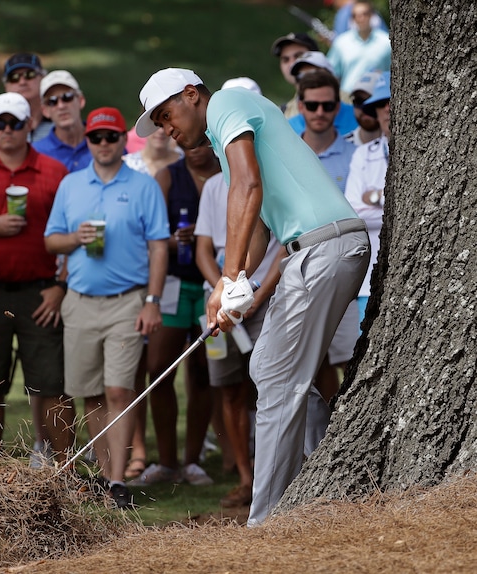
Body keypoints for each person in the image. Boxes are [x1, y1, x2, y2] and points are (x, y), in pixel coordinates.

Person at [136, 68, 370, 525]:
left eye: (167, 116)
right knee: (267, 368)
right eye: (160, 124)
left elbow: (247, 187)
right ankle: (332, 476)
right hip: (315, 250)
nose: (167, 130)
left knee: (279, 379)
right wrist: (234, 285)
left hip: (324, 247)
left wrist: (227, 278)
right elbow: (260, 226)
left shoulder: (225, 103)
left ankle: (266, 523)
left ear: (191, 95)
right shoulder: (228, 146)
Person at [45, 107, 169, 508]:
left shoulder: (143, 185)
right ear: (88, 142)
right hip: (79, 302)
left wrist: (152, 301)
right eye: (96, 138)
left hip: (127, 301)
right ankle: (105, 477)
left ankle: (118, 480)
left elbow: (158, 246)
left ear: (122, 140)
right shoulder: (70, 185)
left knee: (119, 389)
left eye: (111, 137)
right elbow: (51, 242)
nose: (103, 144)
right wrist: (73, 239)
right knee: (91, 394)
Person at [0, 92, 74, 470]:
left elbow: (72, 236)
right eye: (0, 123)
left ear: (29, 126)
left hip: (39, 290)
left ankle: (64, 471)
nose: (7, 130)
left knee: (52, 383)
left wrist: (60, 285)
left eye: (15, 123)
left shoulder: (54, 172)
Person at [129, 143, 219, 488]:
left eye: (202, 143)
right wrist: (177, 238)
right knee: (159, 369)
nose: (194, 150)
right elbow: (152, 236)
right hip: (175, 283)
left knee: (204, 372)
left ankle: (192, 461)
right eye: (188, 145)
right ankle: (166, 461)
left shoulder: (226, 174)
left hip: (213, 284)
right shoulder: (169, 176)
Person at [195, 170, 284, 507]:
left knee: (271, 386)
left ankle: (275, 475)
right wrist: (222, 290)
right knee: (229, 389)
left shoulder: (265, 178)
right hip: (224, 303)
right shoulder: (213, 186)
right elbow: (204, 248)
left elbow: (283, 245)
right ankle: (247, 479)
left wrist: (253, 298)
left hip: (266, 296)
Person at [297, 70, 361, 402]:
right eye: (312, 105)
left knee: (353, 358)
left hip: (349, 273)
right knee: (312, 365)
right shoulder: (289, 156)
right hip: (301, 273)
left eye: (327, 105)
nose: (320, 112)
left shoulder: (355, 156)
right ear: (300, 106)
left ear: (338, 107)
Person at [121, 126, 182, 480]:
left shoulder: (185, 163)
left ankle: (177, 456)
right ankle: (137, 450)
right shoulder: (128, 166)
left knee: (160, 368)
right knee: (132, 368)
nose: (160, 131)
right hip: (129, 273)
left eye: (166, 122)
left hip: (170, 276)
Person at [345, 71, 391, 327]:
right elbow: (354, 215)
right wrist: (394, 205)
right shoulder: (363, 155)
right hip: (369, 281)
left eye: (391, 100)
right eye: (380, 104)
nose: (387, 109)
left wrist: (375, 196)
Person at [326, 0, 391, 94]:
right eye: (355, 15)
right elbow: (331, 72)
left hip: (378, 99)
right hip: (348, 97)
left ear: (372, 15)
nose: (360, 18)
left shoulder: (386, 42)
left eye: (364, 14)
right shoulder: (341, 43)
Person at [288, 51, 358, 137]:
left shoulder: (358, 116)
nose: (306, 81)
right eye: (300, 76)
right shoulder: (288, 126)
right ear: (301, 106)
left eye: (314, 74)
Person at [34, 70, 91, 172]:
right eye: (52, 101)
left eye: (67, 97)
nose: (61, 106)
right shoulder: (36, 153)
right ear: (45, 111)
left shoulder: (106, 141)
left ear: (80, 101)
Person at [2, 52, 52, 142]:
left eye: (30, 75)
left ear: (43, 78)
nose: (22, 82)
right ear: (5, 85)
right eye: (14, 77)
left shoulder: (59, 121)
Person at [270, 32, 319, 119]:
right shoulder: (282, 115)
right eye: (286, 60)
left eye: (298, 56)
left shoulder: (345, 101)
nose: (292, 64)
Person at [345, 71, 382, 146]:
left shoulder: (398, 147)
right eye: (359, 101)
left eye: (372, 101)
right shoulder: (343, 147)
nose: (364, 108)